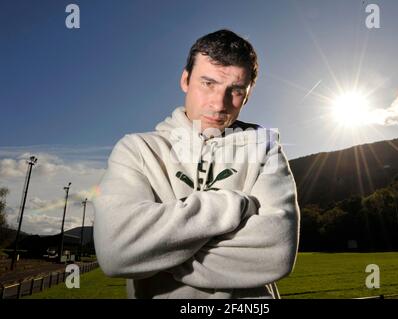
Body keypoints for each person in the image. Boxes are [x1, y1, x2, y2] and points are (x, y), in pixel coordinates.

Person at [93, 29, 300, 299]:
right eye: (208, 83)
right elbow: (116, 252)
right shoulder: (136, 149)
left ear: (248, 94)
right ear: (185, 80)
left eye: (236, 91)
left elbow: (278, 253)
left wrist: (161, 256)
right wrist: (234, 205)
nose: (219, 103)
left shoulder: (265, 148)